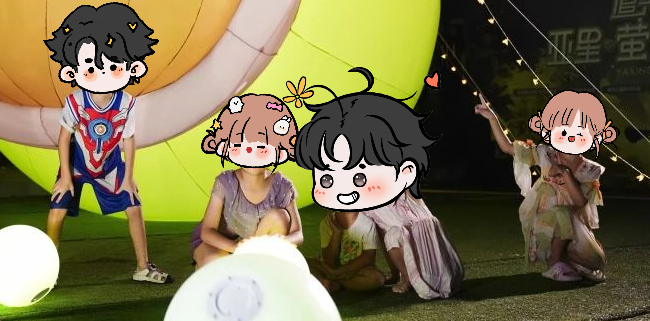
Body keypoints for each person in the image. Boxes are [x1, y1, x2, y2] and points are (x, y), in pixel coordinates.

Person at [293, 67, 463, 299]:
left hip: (411, 227)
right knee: (389, 237)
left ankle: (407, 278)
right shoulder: (360, 205)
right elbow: (381, 236)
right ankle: (400, 275)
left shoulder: (393, 185)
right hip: (393, 230)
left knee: (394, 238)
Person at [44, 3, 171, 283]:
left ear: (132, 67)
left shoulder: (126, 102)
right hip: (78, 163)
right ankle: (45, 270)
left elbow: (129, 138)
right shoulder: (76, 100)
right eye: (91, 68)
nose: (102, 72)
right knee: (57, 210)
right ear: (72, 70)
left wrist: (128, 176)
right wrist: (65, 176)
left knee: (134, 206)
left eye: (113, 66)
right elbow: (64, 137)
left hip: (110, 164)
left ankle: (143, 267)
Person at [475, 91, 615, 283]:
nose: (571, 137)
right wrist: (492, 118)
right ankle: (554, 265)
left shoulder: (590, 169)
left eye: (580, 133)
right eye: (564, 132)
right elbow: (508, 148)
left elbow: (580, 202)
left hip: (573, 224)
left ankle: (570, 263)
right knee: (562, 212)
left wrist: (565, 173)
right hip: (545, 218)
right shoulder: (545, 154)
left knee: (596, 261)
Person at [190, 94, 304, 269]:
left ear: (279, 149)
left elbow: (298, 235)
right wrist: (236, 248)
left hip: (256, 245)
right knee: (213, 264)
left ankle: (254, 266)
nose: (252, 155)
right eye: (241, 146)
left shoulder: (282, 186)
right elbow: (207, 232)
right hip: (220, 243)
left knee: (280, 216)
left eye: (261, 148)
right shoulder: (225, 182)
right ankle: (226, 266)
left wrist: (278, 244)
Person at [308, 209, 385, 293]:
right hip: (330, 269)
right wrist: (336, 233)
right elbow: (328, 260)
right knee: (305, 263)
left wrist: (338, 272)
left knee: (377, 278)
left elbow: (368, 257)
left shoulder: (367, 223)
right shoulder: (327, 222)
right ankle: (331, 282)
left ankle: (337, 283)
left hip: (355, 270)